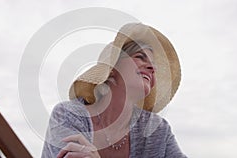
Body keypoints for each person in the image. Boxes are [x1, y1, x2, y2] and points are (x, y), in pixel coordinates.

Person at [42, 23, 187, 158]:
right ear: (112, 68)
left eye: (153, 65)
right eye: (140, 57)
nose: (152, 68)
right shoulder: (69, 115)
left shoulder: (158, 130)